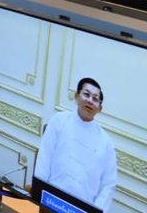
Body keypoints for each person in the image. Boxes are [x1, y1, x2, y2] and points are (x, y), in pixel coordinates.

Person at [34, 77, 117, 212]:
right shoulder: (58, 121)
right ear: (76, 96)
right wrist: (39, 194)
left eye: (95, 99)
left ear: (100, 108)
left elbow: (108, 184)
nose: (90, 100)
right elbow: (44, 158)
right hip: (50, 201)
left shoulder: (106, 143)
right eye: (86, 94)